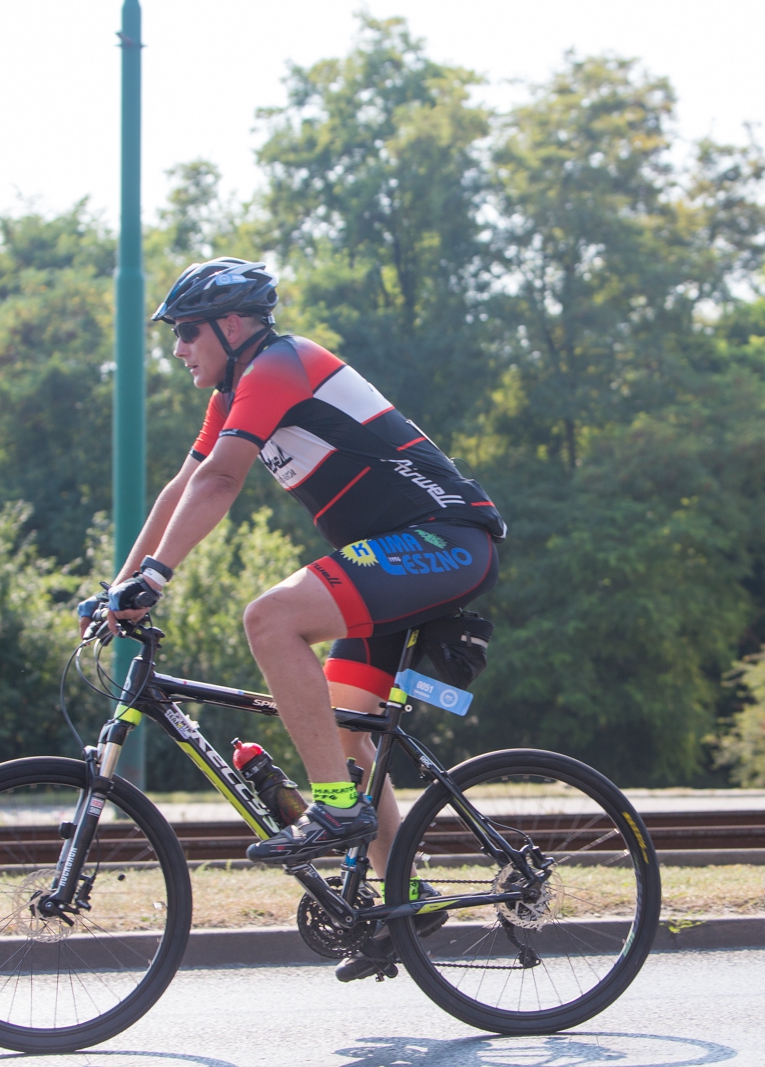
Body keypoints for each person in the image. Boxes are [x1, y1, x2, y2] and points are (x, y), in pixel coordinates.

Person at [83, 257, 506, 979]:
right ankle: (405, 896)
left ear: (236, 324)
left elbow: (222, 480)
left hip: (445, 539)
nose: (179, 346)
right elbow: (183, 485)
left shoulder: (281, 363)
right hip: (391, 557)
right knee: (341, 724)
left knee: (271, 619)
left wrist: (157, 576)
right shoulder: (234, 393)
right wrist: (118, 586)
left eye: (188, 331)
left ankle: (336, 808)